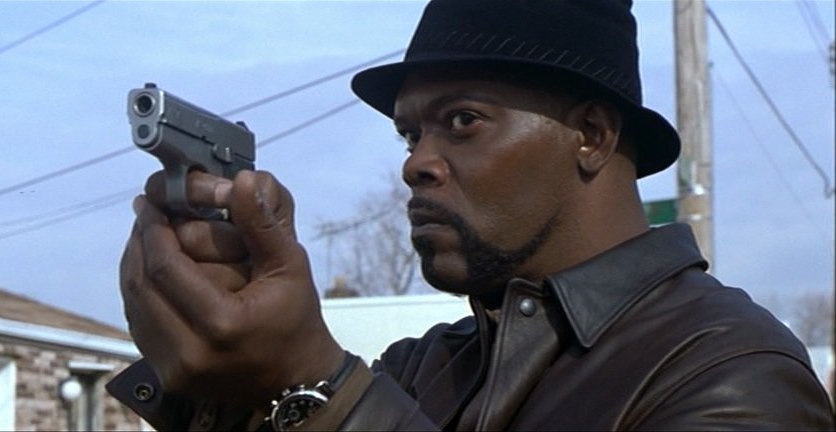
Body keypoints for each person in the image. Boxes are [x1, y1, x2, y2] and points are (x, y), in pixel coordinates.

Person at [107, 0, 836, 430]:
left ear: (590, 135)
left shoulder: (729, 371)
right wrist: (220, 372)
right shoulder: (425, 366)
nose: (415, 163)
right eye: (409, 134)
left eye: (462, 121)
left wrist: (319, 386)